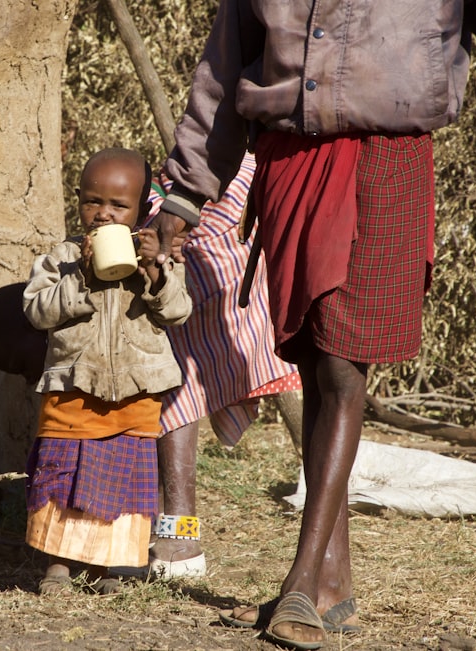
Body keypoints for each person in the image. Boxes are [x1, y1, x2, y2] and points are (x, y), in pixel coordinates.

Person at [148, 2, 476, 648]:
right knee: (313, 357)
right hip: (286, 159)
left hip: (385, 157)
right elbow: (226, 64)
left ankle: (302, 583)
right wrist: (186, 188)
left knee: (344, 362)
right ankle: (332, 583)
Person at [22, 147, 192, 595]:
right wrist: (80, 275)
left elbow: (178, 312)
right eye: (93, 201)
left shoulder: (156, 258)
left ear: (140, 211)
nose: (103, 214)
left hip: (137, 391)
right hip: (73, 387)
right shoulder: (60, 258)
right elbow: (37, 311)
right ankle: (59, 562)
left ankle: (110, 567)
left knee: (123, 477)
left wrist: (156, 271)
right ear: (77, 200)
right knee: (64, 471)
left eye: (118, 206)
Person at [144, 153, 301, 579]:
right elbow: (205, 133)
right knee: (173, 351)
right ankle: (171, 520)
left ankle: (177, 524)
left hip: (268, 190)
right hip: (201, 182)